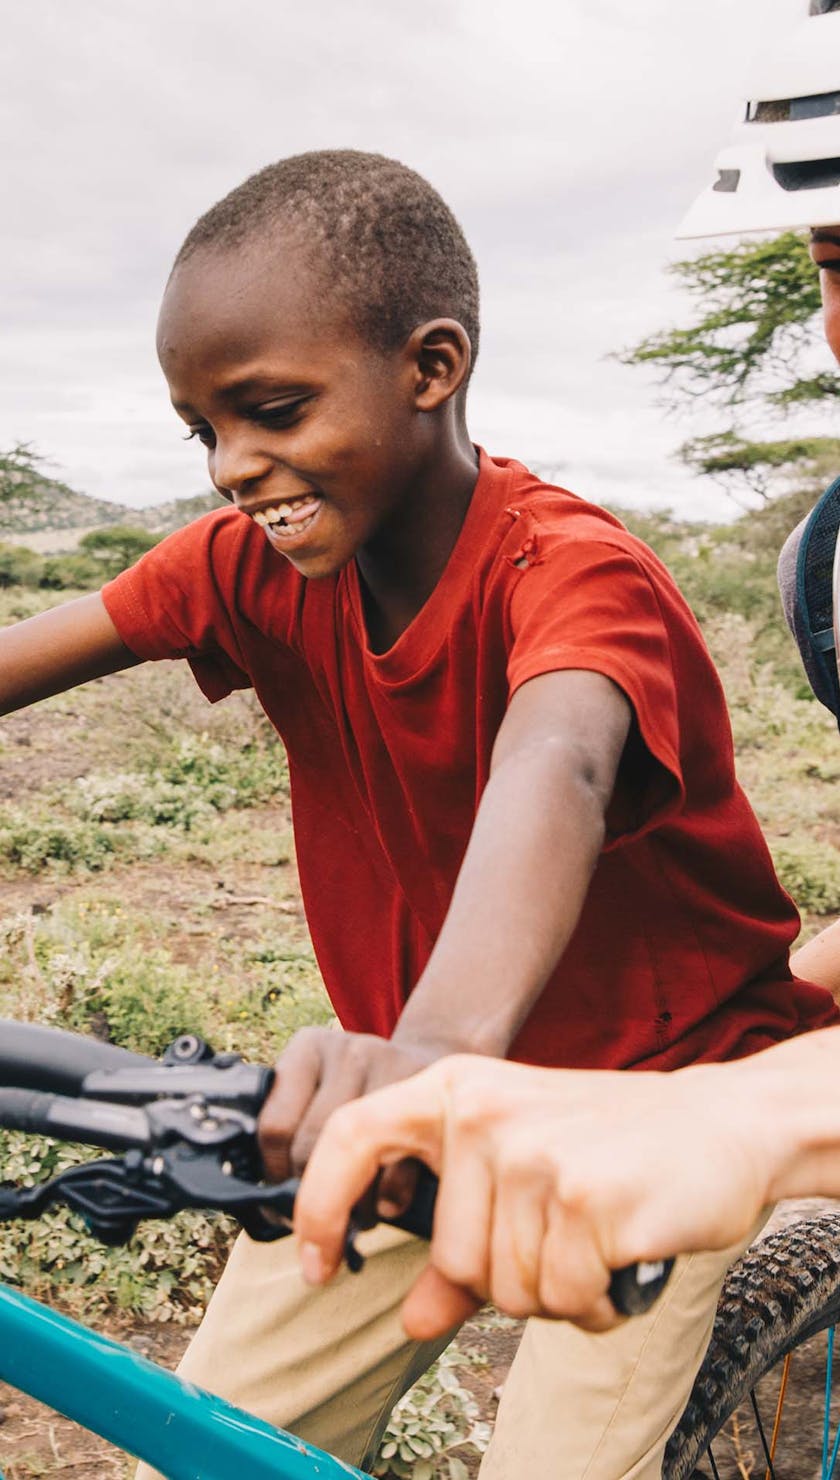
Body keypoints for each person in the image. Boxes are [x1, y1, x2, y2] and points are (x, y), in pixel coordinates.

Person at [1, 149, 837, 1480]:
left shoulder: (571, 571)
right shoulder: (241, 568)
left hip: (647, 1109)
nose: (230, 465)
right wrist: (420, 1076)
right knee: (202, 1444)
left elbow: (556, 761)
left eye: (270, 409)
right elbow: (40, 647)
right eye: (202, 428)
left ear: (432, 368)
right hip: (403, 1098)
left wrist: (435, 1050)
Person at [294, 0, 840, 1346]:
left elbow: (563, 755)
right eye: (830, 258)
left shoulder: (570, 566)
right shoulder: (833, 567)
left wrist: (740, 1113)